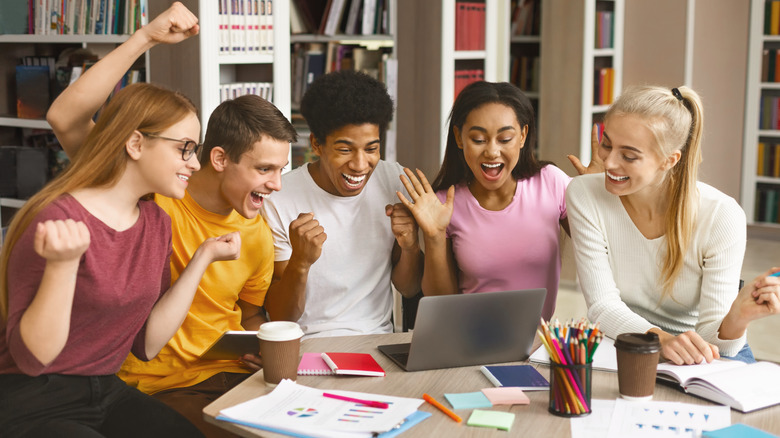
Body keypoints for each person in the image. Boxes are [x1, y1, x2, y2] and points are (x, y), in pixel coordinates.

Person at [45, 4, 297, 437]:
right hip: (156, 387)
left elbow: (250, 313)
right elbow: (66, 119)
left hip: (235, 375)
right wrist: (145, 38)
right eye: (264, 169)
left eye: (282, 169)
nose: (277, 185)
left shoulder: (256, 229)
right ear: (218, 158)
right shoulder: (150, 193)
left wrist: (261, 345)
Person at [0, 13, 243, 437]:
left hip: (106, 389)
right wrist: (61, 267)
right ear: (134, 144)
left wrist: (204, 258)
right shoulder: (58, 218)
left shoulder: (155, 222)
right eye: (185, 148)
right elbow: (34, 359)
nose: (195, 162)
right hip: (31, 395)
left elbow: (146, 345)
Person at [566, 85, 780, 366]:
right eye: (607, 144)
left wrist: (738, 316)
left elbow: (715, 346)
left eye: (629, 156)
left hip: (702, 351)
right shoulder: (583, 193)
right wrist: (660, 339)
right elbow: (602, 306)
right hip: (627, 339)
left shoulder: (722, 215)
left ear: (670, 160)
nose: (609, 162)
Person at [261, 70, 423, 338]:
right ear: (317, 144)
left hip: (377, 343)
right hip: (308, 346)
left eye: (371, 149)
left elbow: (409, 288)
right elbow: (281, 316)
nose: (360, 165)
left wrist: (411, 247)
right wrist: (300, 263)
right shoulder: (279, 199)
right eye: (345, 150)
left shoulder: (394, 180)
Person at [395, 81, 571, 320]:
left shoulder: (552, 183)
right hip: (470, 341)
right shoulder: (444, 203)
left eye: (505, 138)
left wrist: (595, 197)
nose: (492, 152)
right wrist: (435, 236)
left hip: (539, 344)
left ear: (522, 136)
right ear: (459, 138)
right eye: (478, 139)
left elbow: (603, 253)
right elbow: (441, 301)